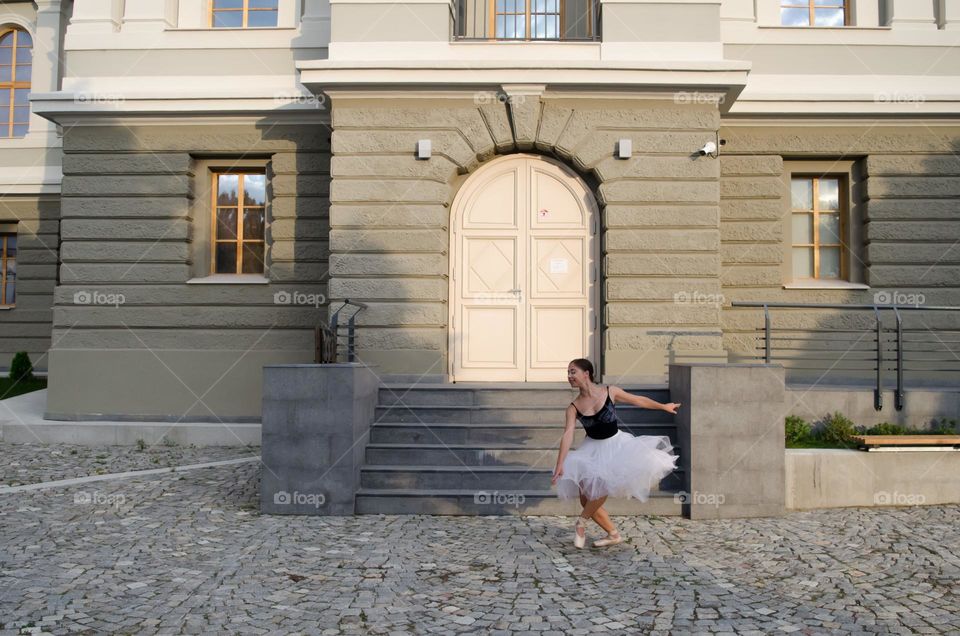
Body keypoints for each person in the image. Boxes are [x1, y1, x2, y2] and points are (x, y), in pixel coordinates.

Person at [551, 358, 680, 548]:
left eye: (573, 372)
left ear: (586, 374)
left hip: (617, 445)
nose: (569, 376)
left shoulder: (610, 392)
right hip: (592, 448)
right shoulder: (574, 407)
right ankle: (613, 534)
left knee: (601, 487)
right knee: (585, 498)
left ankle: (581, 523)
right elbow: (567, 436)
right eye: (568, 373)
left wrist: (663, 406)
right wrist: (560, 463)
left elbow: (639, 400)